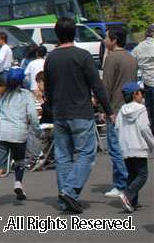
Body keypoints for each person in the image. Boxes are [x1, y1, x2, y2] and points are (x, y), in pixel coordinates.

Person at [43, 16, 114, 214]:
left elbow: (47, 90)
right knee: (86, 154)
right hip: (81, 111)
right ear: (74, 33)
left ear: (56, 34)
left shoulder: (50, 58)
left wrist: (52, 106)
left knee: (64, 157)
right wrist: (108, 111)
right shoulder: (82, 55)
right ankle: (70, 190)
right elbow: (97, 86)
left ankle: (66, 198)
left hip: (60, 112)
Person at [0, 68, 40, 211]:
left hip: (1, 133)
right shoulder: (26, 95)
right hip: (19, 133)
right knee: (19, 160)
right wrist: (37, 130)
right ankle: (18, 182)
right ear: (22, 81)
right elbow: (32, 115)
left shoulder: (3, 96)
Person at [101, 26, 139, 199]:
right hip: (131, 107)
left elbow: (107, 85)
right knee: (127, 147)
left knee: (116, 148)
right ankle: (129, 182)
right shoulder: (131, 57)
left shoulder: (112, 58)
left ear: (114, 40)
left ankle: (122, 184)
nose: (104, 40)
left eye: (106, 37)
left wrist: (104, 108)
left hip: (115, 108)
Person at [115, 82, 154, 212]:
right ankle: (127, 194)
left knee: (132, 175)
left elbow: (117, 128)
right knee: (142, 175)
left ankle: (133, 202)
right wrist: (152, 144)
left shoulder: (121, 110)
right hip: (138, 146)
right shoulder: (141, 109)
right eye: (141, 93)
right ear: (135, 94)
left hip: (126, 148)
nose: (142, 96)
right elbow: (144, 128)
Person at [131, 24, 154, 133]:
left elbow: (132, 59)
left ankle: (151, 130)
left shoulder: (139, 47)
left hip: (146, 81)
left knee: (149, 108)